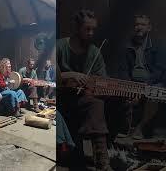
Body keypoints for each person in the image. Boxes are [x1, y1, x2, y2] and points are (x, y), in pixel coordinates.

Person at [58, 10, 112, 170]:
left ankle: (102, 161)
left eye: (93, 29)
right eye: (87, 29)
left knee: (96, 103)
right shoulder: (60, 46)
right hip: (60, 98)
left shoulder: (95, 51)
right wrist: (71, 75)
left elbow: (103, 79)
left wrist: (95, 85)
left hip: (83, 99)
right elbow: (50, 74)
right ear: (76, 27)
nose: (91, 33)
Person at [118, 15, 166, 139]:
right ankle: (124, 129)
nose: (139, 27)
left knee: (154, 94)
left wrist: (144, 86)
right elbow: (123, 70)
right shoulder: (127, 46)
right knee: (117, 91)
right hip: (133, 82)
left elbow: (159, 71)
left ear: (149, 28)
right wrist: (129, 86)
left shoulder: (158, 45)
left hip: (152, 82)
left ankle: (140, 128)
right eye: (136, 25)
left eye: (142, 25)